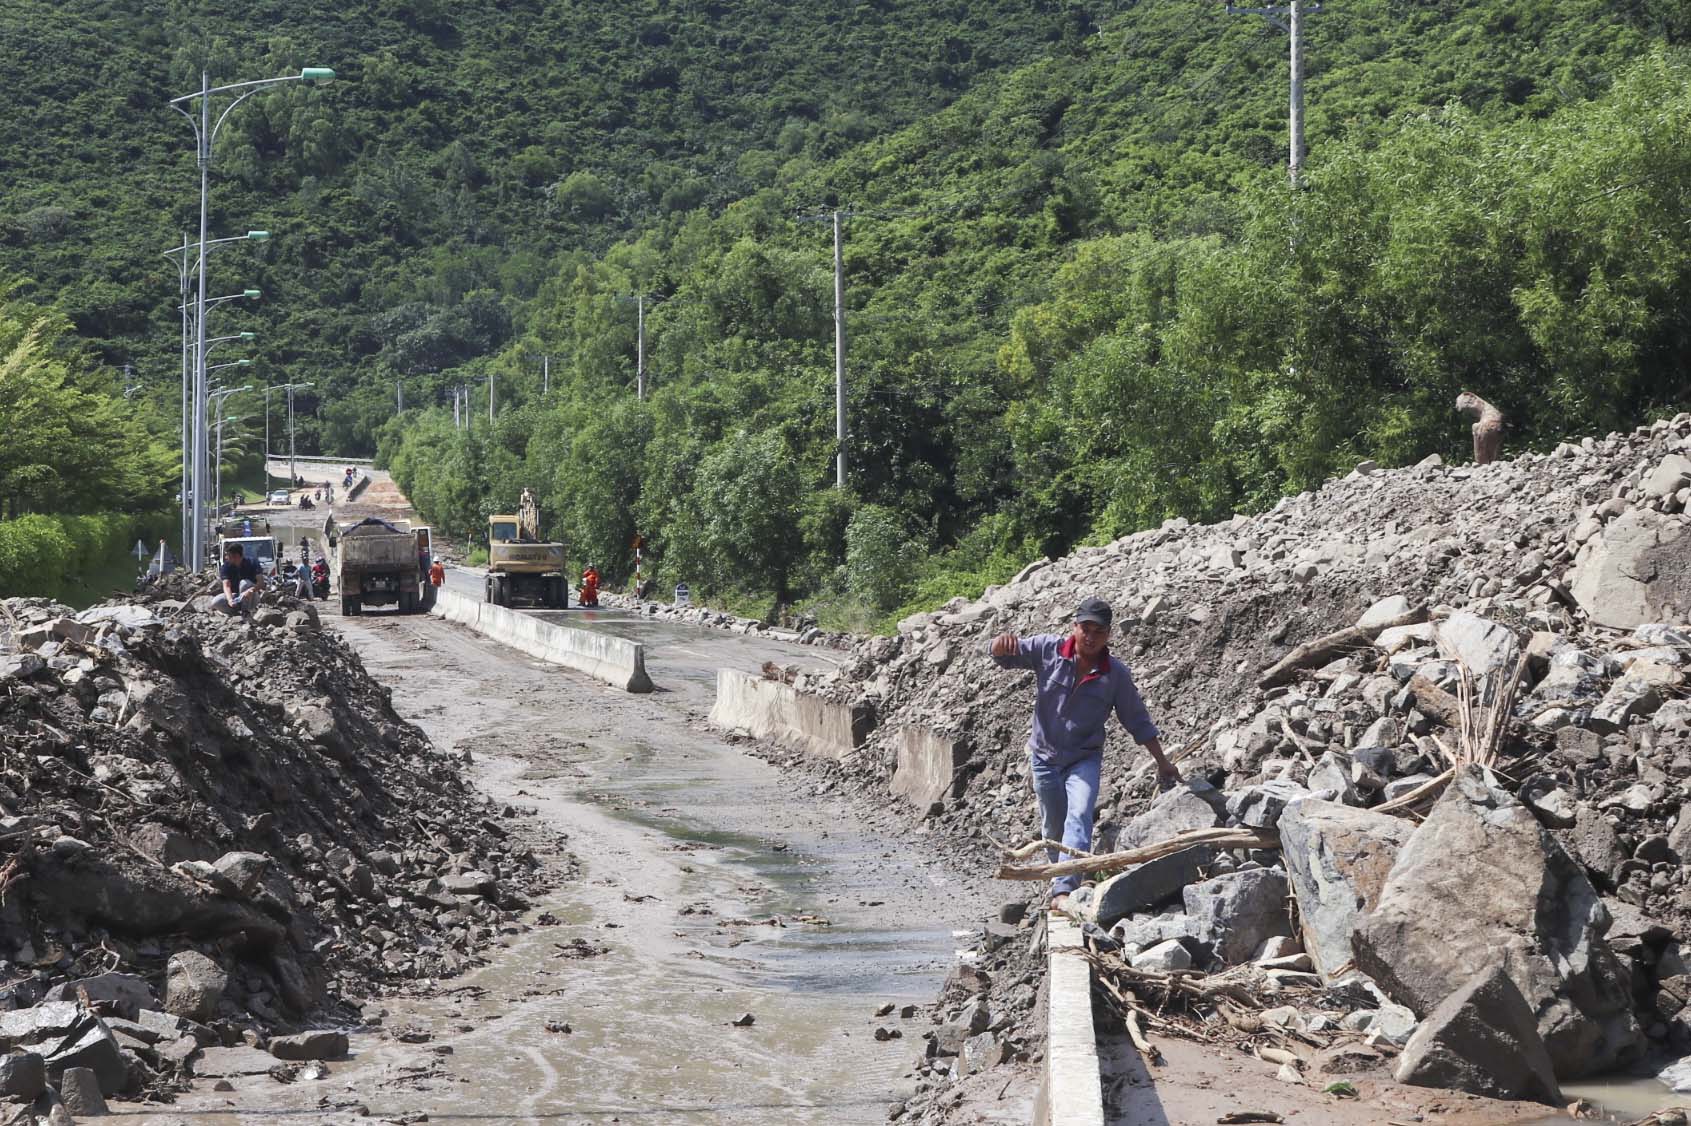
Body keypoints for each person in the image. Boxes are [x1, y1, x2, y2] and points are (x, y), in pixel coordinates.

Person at [990, 596, 1180, 912]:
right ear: (1074, 627)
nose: (1090, 638)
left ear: (1108, 635)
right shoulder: (1047, 649)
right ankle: (1061, 875)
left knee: (1079, 815)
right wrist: (997, 644)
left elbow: (1137, 720)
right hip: (1044, 757)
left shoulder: (1115, 675)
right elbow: (1005, 655)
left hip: (1083, 758)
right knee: (1053, 827)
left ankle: (1064, 891)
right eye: (1085, 629)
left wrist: (1162, 762)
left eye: (1099, 632)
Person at [210, 542, 265, 616]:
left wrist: (251, 590)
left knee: (244, 583)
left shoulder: (252, 562)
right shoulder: (226, 566)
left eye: (228, 555)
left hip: (251, 597)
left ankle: (246, 612)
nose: (226, 557)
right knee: (216, 602)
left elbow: (261, 583)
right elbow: (226, 585)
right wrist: (230, 600)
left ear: (236, 556)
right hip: (236, 596)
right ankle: (235, 614)